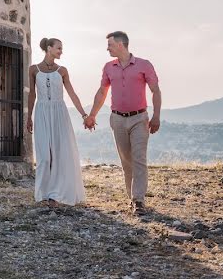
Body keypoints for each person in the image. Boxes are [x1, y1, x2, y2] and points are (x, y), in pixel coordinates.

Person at [84, 31, 161, 214]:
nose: (107, 48)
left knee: (139, 158)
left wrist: (156, 116)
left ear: (120, 44)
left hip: (139, 118)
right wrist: (92, 115)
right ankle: (131, 197)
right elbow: (102, 92)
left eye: (109, 44)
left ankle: (138, 200)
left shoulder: (144, 65)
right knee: (126, 161)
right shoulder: (109, 67)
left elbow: (155, 90)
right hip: (117, 118)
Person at [26, 37, 88, 206]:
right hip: (42, 112)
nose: (61, 51)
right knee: (45, 156)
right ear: (49, 48)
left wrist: (84, 115)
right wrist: (29, 116)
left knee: (59, 154)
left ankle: (55, 194)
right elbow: (32, 95)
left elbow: (72, 93)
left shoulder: (62, 71)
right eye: (59, 48)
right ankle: (43, 193)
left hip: (59, 112)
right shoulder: (33, 70)